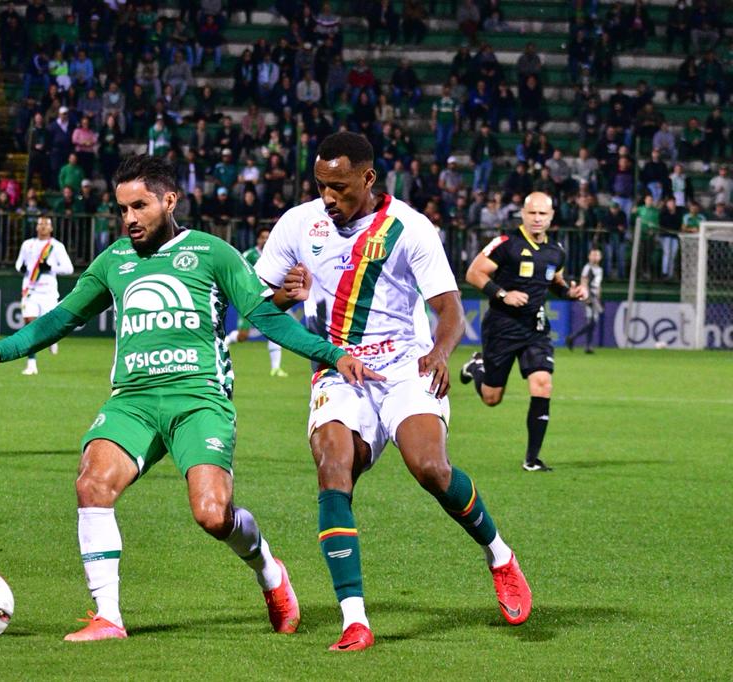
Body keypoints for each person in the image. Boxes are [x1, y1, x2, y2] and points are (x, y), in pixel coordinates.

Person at [0, 155, 380, 643]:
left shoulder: (212, 253)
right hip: (132, 401)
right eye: (122, 209)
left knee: (212, 514)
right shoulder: (113, 261)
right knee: (92, 485)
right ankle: (108, 617)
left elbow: (266, 318)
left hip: (199, 400)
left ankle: (269, 571)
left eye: (140, 206)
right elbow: (60, 318)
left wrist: (332, 355)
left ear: (169, 200)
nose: (130, 219)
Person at [255, 132, 532, 652]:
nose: (328, 198)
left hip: (406, 365)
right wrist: (281, 294)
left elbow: (450, 309)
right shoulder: (298, 224)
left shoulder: (409, 227)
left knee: (430, 467)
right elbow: (257, 306)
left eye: (338, 187)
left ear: (367, 178)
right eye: (320, 186)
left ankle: (499, 555)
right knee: (334, 467)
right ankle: (354, 620)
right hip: (338, 367)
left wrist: (441, 353)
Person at [460, 192, 588, 472]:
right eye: (532, 213)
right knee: (492, 398)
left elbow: (554, 282)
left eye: (543, 214)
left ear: (552, 216)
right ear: (523, 214)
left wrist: (570, 292)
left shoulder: (556, 250)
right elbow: (474, 273)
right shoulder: (506, 244)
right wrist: (503, 294)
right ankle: (476, 366)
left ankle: (532, 459)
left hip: (535, 328)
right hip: (502, 327)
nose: (538, 218)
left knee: (543, 383)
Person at [14, 214, 74, 375]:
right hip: (30, 290)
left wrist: (51, 267)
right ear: (36, 227)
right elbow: (19, 263)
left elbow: (69, 268)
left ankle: (52, 339)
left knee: (49, 327)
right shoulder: (28, 244)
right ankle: (31, 363)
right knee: (30, 323)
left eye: (46, 224)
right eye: (40, 224)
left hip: (48, 292)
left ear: (51, 228)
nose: (43, 227)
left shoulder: (56, 246)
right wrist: (21, 268)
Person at [223, 226, 287, 377]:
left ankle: (276, 368)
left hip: (269, 298)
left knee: (276, 331)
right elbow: (237, 270)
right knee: (243, 335)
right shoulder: (250, 254)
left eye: (268, 237)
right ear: (258, 239)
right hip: (249, 299)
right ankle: (223, 344)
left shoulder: (275, 255)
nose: (265, 239)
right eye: (263, 237)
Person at [566, 248, 603, 353]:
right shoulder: (588, 268)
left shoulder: (599, 269)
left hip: (595, 296)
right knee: (592, 321)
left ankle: (587, 345)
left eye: (597, 255)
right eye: (593, 255)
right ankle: (573, 338)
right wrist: (586, 297)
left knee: (592, 322)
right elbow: (584, 282)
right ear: (589, 257)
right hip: (590, 296)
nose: (595, 257)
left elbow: (598, 285)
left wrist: (599, 297)